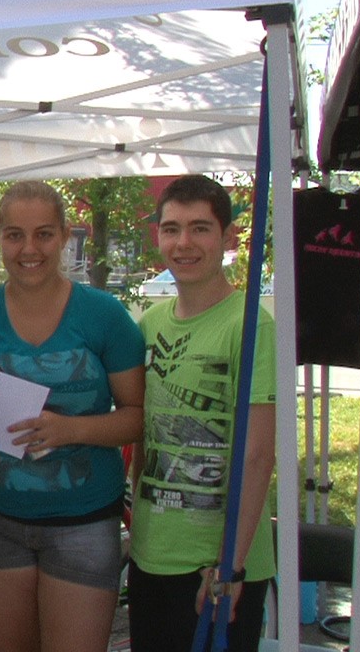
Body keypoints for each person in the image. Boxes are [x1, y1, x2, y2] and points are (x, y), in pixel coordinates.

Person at [0, 180, 146, 652]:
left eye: (44, 234)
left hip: (86, 522)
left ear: (66, 236)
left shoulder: (105, 316)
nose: (29, 249)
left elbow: (137, 417)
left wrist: (73, 429)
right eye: (14, 235)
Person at [128, 174, 276, 652]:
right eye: (171, 229)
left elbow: (257, 455)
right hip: (152, 555)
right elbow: (142, 434)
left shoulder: (251, 323)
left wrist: (229, 565)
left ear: (228, 237)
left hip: (216, 566)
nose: (183, 243)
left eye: (200, 228)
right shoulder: (149, 323)